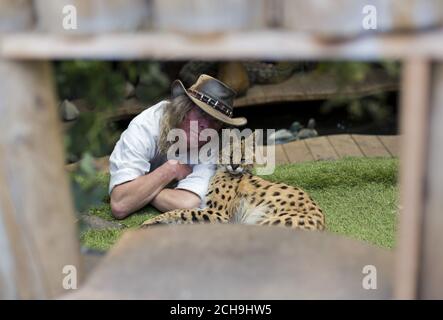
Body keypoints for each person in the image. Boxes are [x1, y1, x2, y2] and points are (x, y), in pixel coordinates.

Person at [109, 74, 247, 219]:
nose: (205, 125)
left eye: (215, 121)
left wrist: (141, 194)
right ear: (183, 107)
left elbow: (188, 203)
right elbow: (120, 204)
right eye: (201, 112)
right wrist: (171, 169)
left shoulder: (211, 145)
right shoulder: (146, 125)